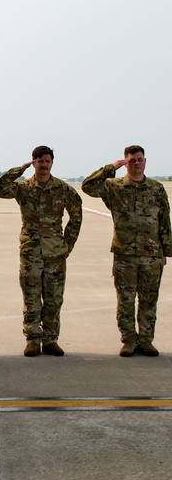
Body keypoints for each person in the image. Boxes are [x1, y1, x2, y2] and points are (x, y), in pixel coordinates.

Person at [0, 146, 82, 357]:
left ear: (52, 163)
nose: (44, 165)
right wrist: (17, 171)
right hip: (31, 253)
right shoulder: (23, 188)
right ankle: (32, 339)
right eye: (40, 161)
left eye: (47, 161)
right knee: (31, 298)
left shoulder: (63, 189)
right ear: (34, 162)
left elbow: (76, 215)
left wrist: (67, 244)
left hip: (55, 254)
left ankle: (51, 340)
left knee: (53, 299)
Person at [81, 146, 171, 357]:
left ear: (145, 161)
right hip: (125, 255)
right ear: (125, 162)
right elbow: (88, 186)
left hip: (151, 255)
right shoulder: (114, 187)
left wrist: (165, 251)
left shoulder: (156, 188)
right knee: (126, 300)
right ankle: (129, 340)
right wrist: (109, 168)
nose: (136, 163)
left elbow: (165, 221)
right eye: (131, 160)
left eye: (139, 160)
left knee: (149, 299)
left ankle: (146, 340)